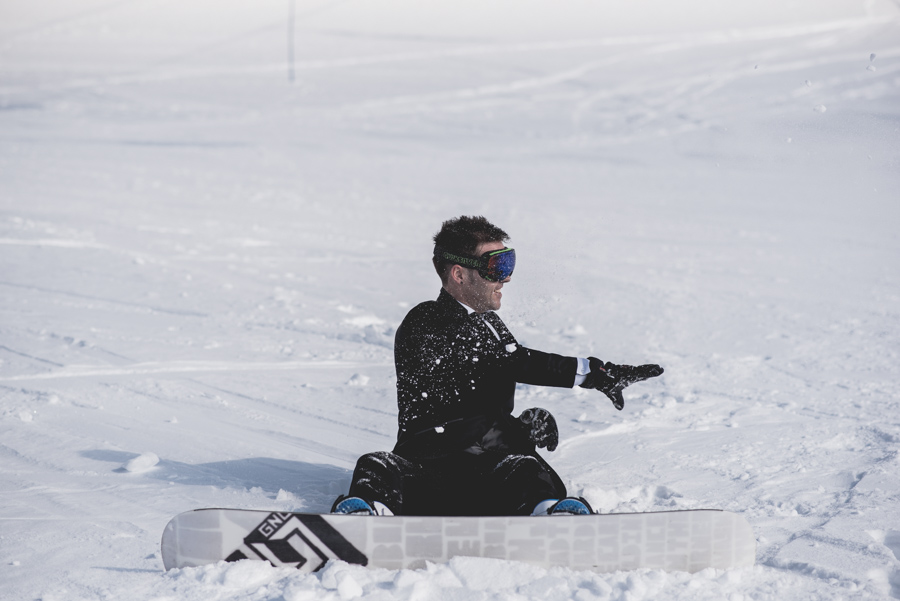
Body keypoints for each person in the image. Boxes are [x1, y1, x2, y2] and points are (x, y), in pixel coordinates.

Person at [332, 215, 663, 516]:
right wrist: (591, 373)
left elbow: (480, 390)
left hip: (489, 478)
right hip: (427, 475)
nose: (505, 279)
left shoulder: (488, 324)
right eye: (496, 266)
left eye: (508, 263)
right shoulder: (426, 320)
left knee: (526, 469)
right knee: (376, 464)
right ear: (459, 274)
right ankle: (368, 517)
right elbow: (501, 365)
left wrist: (520, 429)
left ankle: (551, 518)